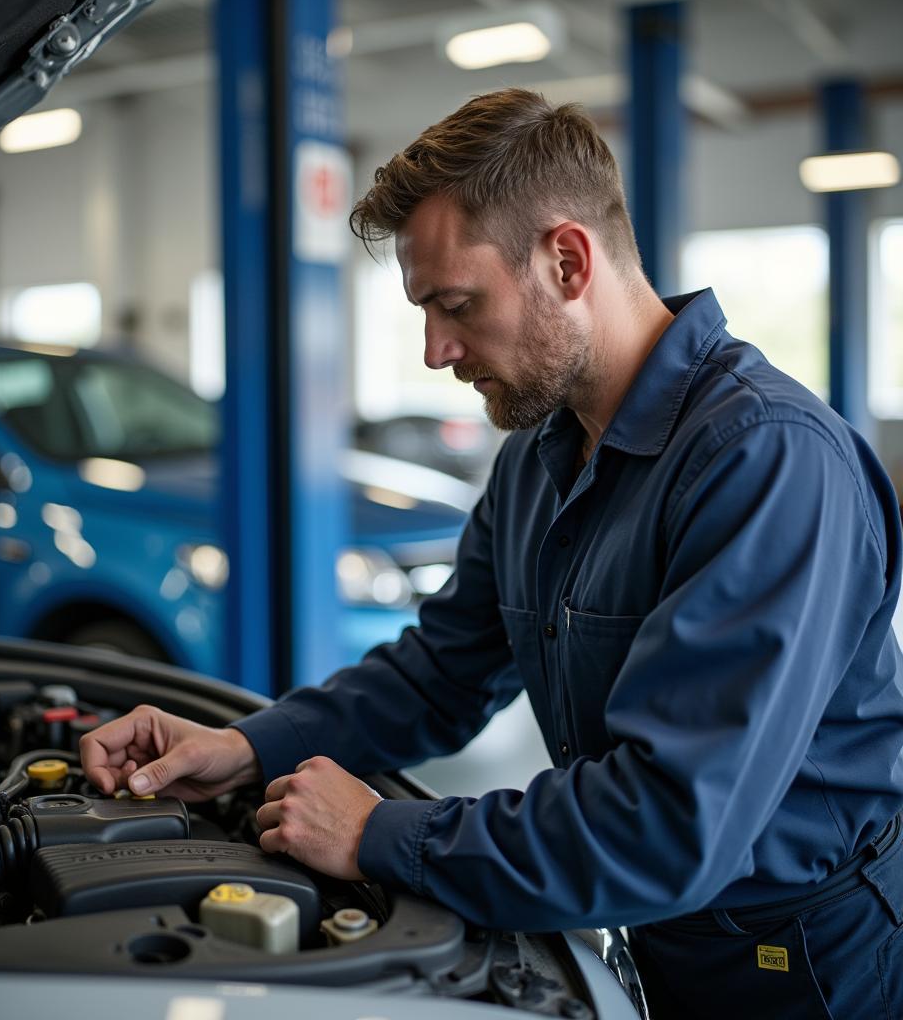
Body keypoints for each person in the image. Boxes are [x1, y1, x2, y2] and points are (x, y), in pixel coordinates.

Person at [81, 89, 903, 1018]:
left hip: (800, 960)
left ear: (566, 259)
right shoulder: (539, 461)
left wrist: (385, 835)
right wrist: (239, 748)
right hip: (658, 931)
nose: (436, 351)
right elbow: (439, 673)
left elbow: (670, 825)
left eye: (456, 304)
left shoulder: (767, 460)